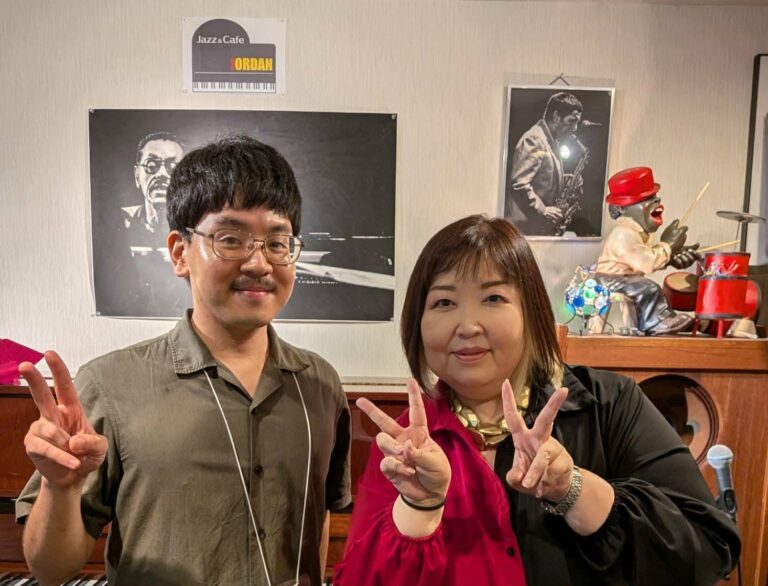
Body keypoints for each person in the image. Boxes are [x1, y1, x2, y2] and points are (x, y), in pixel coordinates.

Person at [16, 136, 352, 586]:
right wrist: (60, 487)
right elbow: (50, 570)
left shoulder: (321, 384)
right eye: (230, 239)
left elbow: (319, 524)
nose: (259, 263)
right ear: (179, 252)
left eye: (277, 242)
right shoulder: (110, 384)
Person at [334, 215, 739, 585]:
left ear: (531, 312)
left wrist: (574, 490)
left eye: (493, 298)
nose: (468, 325)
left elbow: (708, 550)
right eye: (444, 302)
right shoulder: (406, 445)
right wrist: (418, 508)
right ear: (418, 324)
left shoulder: (609, 405)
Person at [94, 131, 191, 318]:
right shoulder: (120, 225)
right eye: (151, 165)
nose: (161, 174)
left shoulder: (198, 231)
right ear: (137, 175)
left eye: (172, 166)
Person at [596, 166, 700, 335]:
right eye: (645, 199)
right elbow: (647, 263)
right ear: (622, 208)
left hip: (626, 277)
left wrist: (672, 256)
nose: (656, 201)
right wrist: (667, 245)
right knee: (649, 288)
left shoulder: (639, 233)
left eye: (655, 197)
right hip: (608, 279)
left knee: (644, 286)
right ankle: (656, 322)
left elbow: (648, 254)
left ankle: (654, 322)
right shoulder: (623, 234)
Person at [505, 92, 583, 236]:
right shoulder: (534, 139)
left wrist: (568, 179)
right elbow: (519, 184)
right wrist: (543, 210)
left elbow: (544, 175)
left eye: (577, 123)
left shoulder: (551, 139)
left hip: (536, 227)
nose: (575, 128)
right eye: (571, 121)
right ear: (556, 116)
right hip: (526, 229)